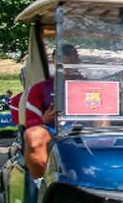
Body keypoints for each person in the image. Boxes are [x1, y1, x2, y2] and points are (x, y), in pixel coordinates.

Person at [23, 44, 81, 179]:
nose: (67, 69)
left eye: (71, 64)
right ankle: (41, 181)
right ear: (55, 63)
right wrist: (43, 120)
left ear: (78, 62)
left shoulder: (90, 86)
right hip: (53, 131)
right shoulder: (40, 89)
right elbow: (29, 122)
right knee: (34, 136)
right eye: (63, 64)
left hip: (85, 130)